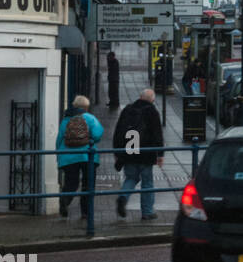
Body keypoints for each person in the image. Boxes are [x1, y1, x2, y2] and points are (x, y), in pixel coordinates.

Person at [114, 88, 165, 221]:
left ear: (140, 97)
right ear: (152, 99)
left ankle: (123, 197)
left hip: (129, 151)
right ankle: (147, 212)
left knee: (131, 178)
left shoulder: (128, 109)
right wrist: (160, 154)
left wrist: (117, 151)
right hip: (145, 153)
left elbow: (118, 130)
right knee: (147, 183)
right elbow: (157, 134)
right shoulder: (152, 111)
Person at [56, 95, 104, 223]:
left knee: (71, 182)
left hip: (68, 157)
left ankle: (65, 201)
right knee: (88, 185)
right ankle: (86, 213)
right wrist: (91, 140)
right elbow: (98, 134)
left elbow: (60, 138)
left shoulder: (66, 119)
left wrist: (59, 155)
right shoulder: (90, 118)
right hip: (88, 155)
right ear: (86, 107)